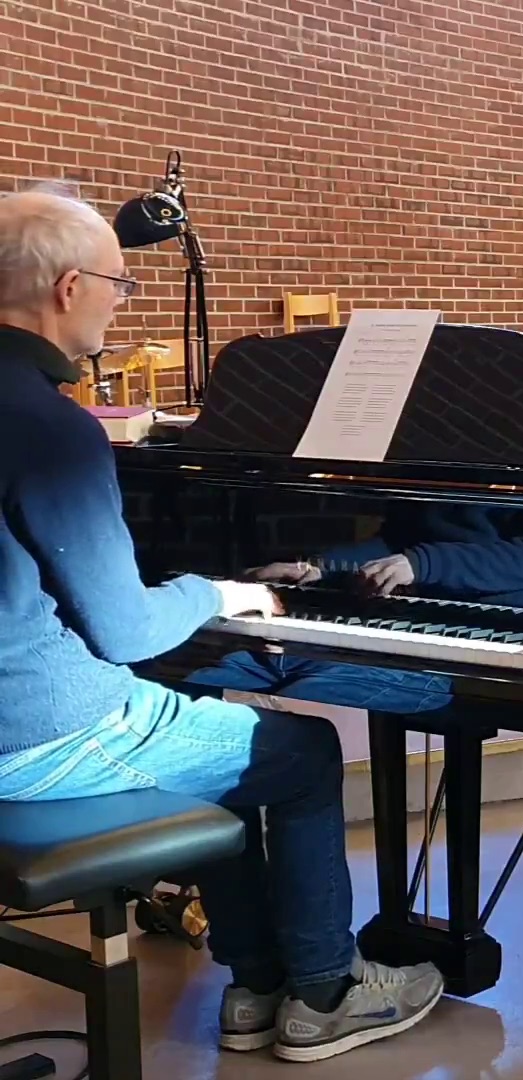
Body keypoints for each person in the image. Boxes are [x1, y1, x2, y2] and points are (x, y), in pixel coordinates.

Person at [0, 188, 443, 1061]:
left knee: (216, 737)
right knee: (302, 754)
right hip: (36, 735)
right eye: (119, 285)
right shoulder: (50, 426)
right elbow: (127, 633)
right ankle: (325, 990)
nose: (122, 303)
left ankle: (253, 988)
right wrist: (214, 591)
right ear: (65, 288)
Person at [190, 503, 523, 712]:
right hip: (408, 624)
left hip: (503, 632)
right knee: (203, 694)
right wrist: (317, 568)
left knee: (303, 707)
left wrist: (422, 563)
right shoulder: (434, 443)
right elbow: (398, 541)